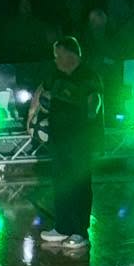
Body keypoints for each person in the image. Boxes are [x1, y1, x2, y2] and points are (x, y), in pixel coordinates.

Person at [37, 36, 100, 252]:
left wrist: (85, 124)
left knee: (80, 185)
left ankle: (79, 230)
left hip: (80, 141)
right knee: (61, 182)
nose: (55, 59)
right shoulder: (55, 75)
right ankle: (63, 226)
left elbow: (95, 103)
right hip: (59, 139)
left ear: (70, 54)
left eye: (58, 55)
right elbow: (42, 91)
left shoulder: (88, 75)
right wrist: (34, 115)